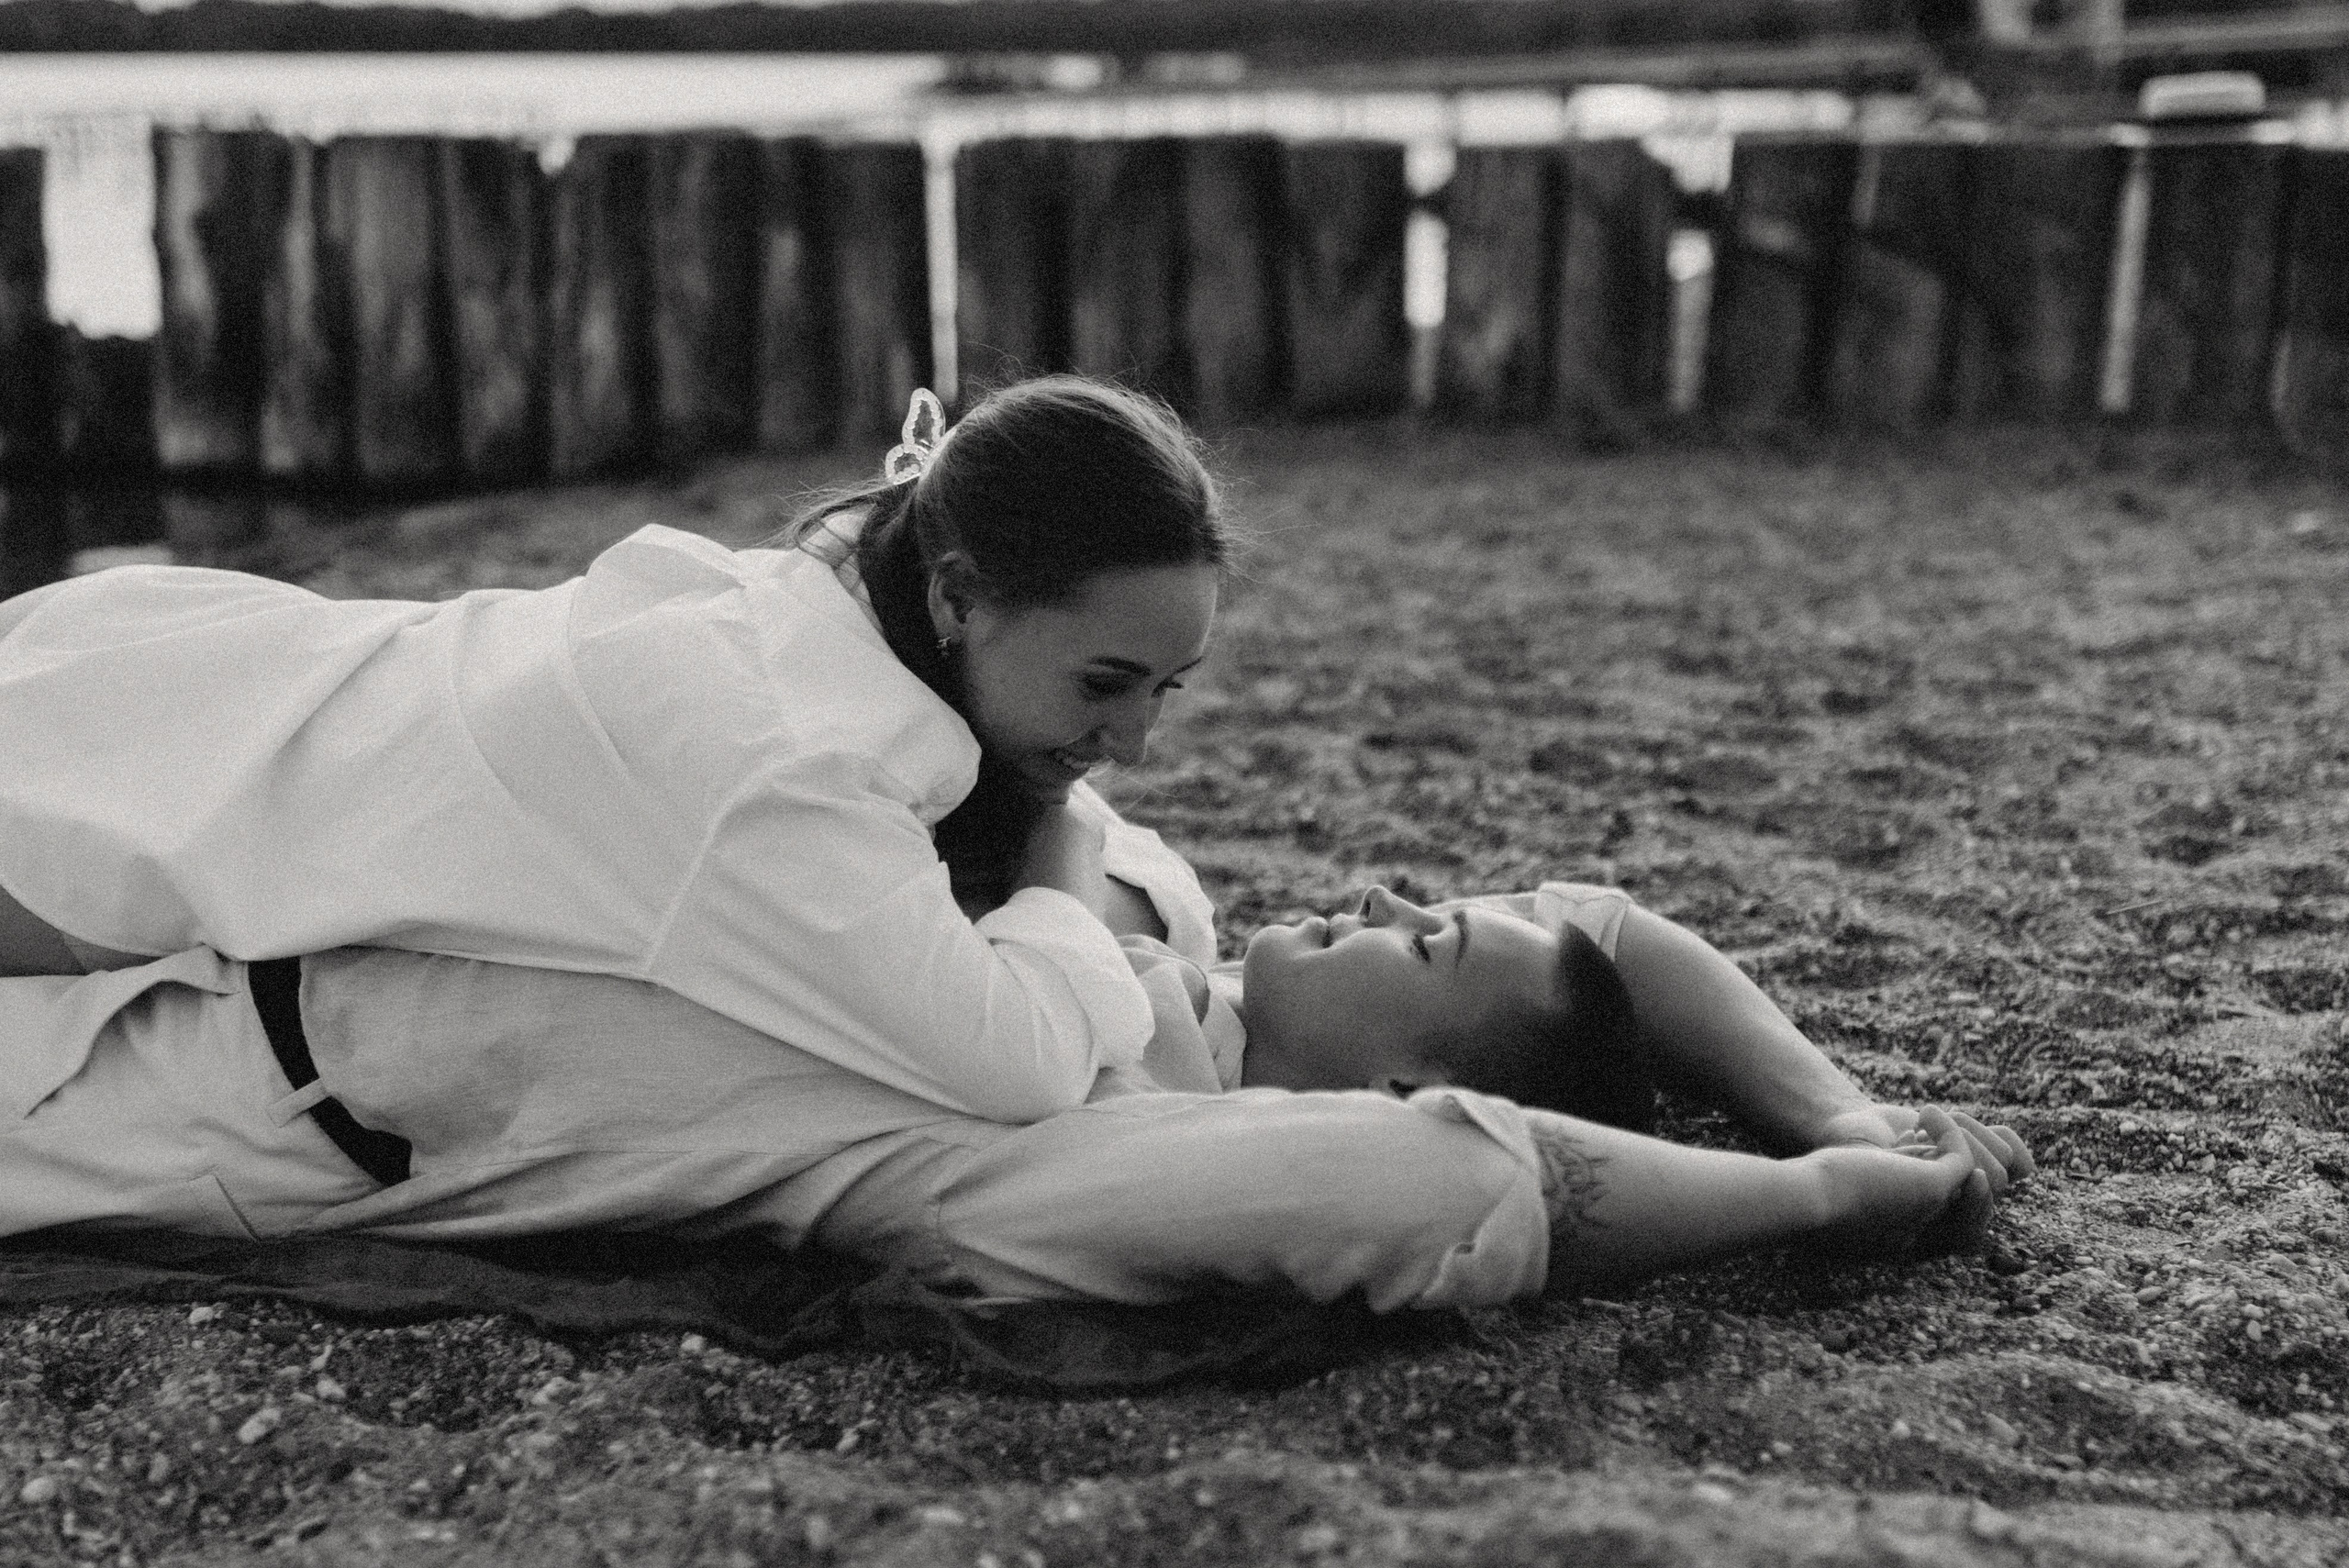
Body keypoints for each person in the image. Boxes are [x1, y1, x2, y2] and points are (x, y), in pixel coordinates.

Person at [0, 378, 1228, 1125]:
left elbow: (1143, 894)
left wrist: (1079, 858)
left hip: (188, 694)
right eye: (1106, 685)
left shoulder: (831, 621)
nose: (1132, 740)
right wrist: (1064, 842)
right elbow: (1018, 1061)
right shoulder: (788, 765)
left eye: (1167, 688)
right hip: (101, 820)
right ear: (961, 595)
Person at [2, 860, 2030, 1311]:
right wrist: (1839, 1107)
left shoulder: (1083, 1150)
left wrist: (1814, 1200)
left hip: (209, 1101)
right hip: (218, 870)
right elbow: (1608, 918)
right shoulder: (1133, 884)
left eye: (1428, 941)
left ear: (1410, 1067)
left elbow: (1445, 1193)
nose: (1389, 894)